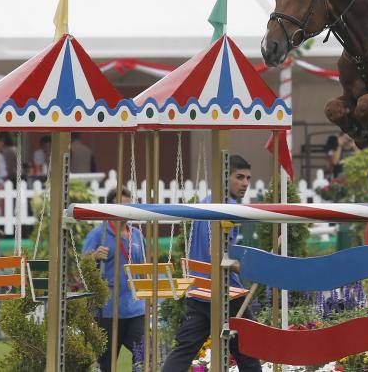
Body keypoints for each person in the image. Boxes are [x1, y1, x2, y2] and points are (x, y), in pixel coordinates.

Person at [161, 155, 261, 372]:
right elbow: (216, 255)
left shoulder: (205, 203)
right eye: (239, 177)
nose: (245, 183)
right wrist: (251, 268)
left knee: (183, 351)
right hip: (227, 292)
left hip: (199, 290)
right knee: (249, 354)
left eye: (248, 178)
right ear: (226, 177)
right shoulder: (231, 208)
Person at [82, 187, 146, 372]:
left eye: (128, 205)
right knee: (106, 364)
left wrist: (148, 300)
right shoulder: (98, 234)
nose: (124, 210)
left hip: (136, 309)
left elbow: (143, 270)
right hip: (108, 311)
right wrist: (93, 257)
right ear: (109, 208)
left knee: (143, 356)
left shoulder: (137, 235)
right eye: (120, 205)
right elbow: (82, 268)